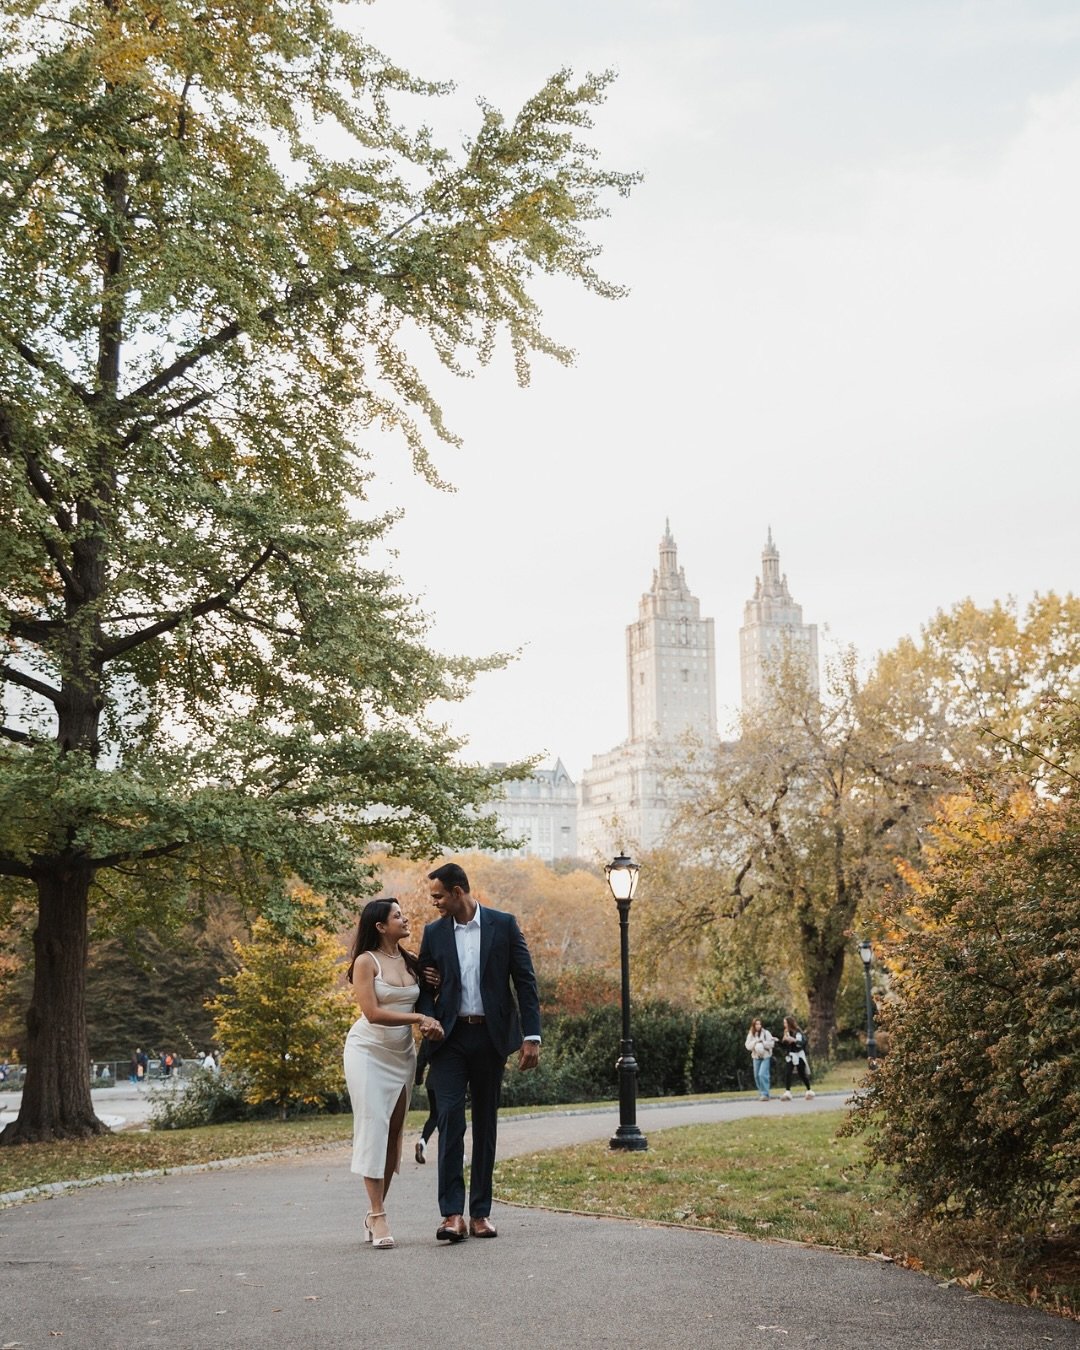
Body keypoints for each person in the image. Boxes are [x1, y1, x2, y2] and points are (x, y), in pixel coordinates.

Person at [417, 861, 541, 1243]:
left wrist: (532, 1036)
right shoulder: (433, 933)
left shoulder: (503, 925)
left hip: (490, 1038)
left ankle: (481, 1213)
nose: (435, 903)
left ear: (458, 892)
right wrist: (429, 1017)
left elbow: (525, 981)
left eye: (438, 896)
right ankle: (452, 1215)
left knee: (486, 1123)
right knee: (450, 1119)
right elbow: (424, 987)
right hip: (448, 1039)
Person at [343, 898, 444, 1250]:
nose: (405, 919)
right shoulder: (365, 962)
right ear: (380, 926)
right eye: (397, 915)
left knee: (392, 1134)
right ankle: (379, 1214)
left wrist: (435, 985)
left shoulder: (412, 962)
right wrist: (418, 1018)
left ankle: (374, 1212)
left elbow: (427, 1000)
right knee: (374, 1127)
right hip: (367, 1052)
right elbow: (372, 1012)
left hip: (402, 1054)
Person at [413, 1038, 437, 1164]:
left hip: (432, 1081)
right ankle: (455, 1152)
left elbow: (421, 1060)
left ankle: (422, 1142)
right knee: (449, 1116)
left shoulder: (430, 1033)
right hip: (449, 1082)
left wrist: (418, 1079)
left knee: (434, 1116)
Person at [780, 1016, 814, 1100]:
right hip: (791, 1054)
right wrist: (782, 1041)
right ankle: (787, 1092)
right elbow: (785, 1046)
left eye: (785, 1023)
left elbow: (801, 1043)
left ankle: (809, 1090)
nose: (784, 1025)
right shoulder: (786, 1032)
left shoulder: (798, 1032)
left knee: (801, 1073)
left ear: (789, 1023)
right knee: (788, 1072)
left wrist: (794, 1040)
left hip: (799, 1054)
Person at [744, 1017, 775, 1100]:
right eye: (756, 1024)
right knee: (757, 1076)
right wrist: (755, 1042)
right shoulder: (751, 1034)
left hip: (765, 1056)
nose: (758, 1026)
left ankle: (765, 1094)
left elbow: (772, 1044)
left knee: (762, 1074)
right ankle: (762, 1092)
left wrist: (763, 1042)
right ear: (753, 1025)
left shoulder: (766, 1033)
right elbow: (747, 1046)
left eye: (759, 1024)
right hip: (756, 1057)